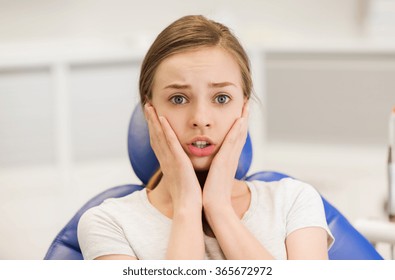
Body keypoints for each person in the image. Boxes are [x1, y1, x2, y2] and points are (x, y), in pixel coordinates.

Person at [77, 15, 334, 260]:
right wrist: (187, 207)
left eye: (221, 98)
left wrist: (219, 208)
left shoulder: (293, 200)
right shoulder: (108, 223)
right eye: (178, 99)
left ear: (244, 108)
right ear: (150, 112)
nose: (200, 118)